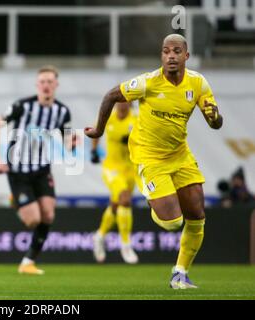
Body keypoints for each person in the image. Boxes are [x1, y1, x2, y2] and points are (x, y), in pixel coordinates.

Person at [84, 34, 223, 289]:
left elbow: (215, 120)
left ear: (186, 56)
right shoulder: (147, 83)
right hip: (148, 159)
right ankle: (151, 202)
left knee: (196, 215)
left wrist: (215, 118)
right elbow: (110, 96)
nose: (171, 56)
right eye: (166, 51)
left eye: (176, 51)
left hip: (180, 156)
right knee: (172, 222)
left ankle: (180, 273)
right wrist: (99, 131)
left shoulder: (198, 83)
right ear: (161, 56)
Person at [0, 65, 76, 275]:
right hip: (18, 170)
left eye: (50, 82)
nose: (46, 85)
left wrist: (72, 143)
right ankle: (15, 198)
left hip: (41, 169)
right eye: (43, 82)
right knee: (33, 220)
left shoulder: (62, 111)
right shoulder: (22, 106)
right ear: (37, 85)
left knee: (48, 215)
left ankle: (28, 262)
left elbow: (66, 139)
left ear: (56, 85)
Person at [90, 101, 139, 264]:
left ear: (131, 102)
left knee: (116, 204)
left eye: (126, 100)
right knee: (125, 199)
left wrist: (133, 140)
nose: (122, 104)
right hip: (112, 168)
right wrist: (93, 150)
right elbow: (96, 131)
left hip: (131, 169)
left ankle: (99, 236)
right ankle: (126, 245)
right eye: (120, 100)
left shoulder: (136, 119)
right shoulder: (108, 118)